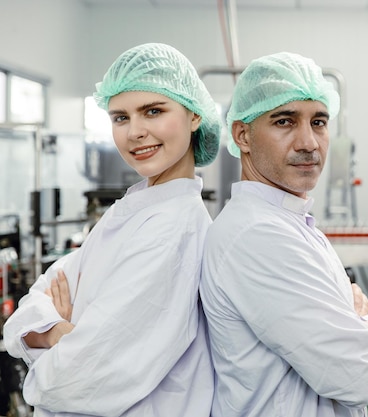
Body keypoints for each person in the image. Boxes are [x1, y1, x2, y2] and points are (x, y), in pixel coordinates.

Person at [3, 42, 222, 416]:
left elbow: (77, 378)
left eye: (153, 111)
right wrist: (60, 333)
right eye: (120, 117)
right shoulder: (133, 211)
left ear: (195, 115)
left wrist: (49, 337)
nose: (135, 132)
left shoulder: (173, 232)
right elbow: (24, 316)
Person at [199, 51, 368, 417]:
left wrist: (360, 328)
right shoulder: (257, 237)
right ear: (243, 135)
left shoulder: (290, 223)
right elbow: (357, 374)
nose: (309, 143)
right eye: (285, 121)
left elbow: (354, 346)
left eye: (320, 122)